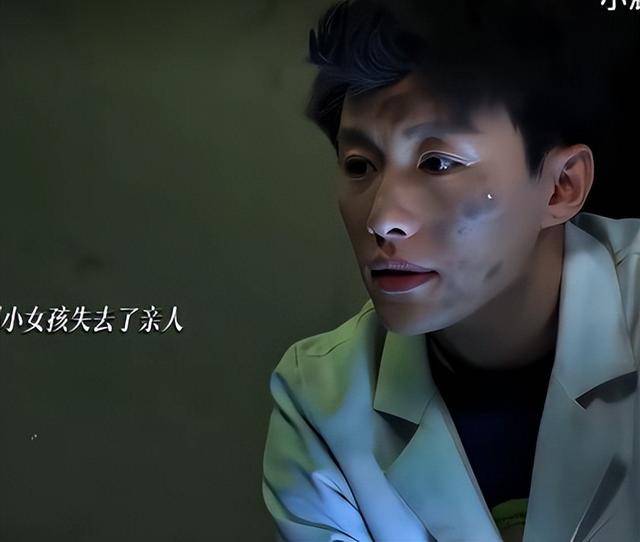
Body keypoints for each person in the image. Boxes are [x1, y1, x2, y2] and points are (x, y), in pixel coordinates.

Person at [261, 1, 640, 540]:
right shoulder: (319, 400)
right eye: (359, 166)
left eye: (438, 163)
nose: (382, 219)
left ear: (561, 187)